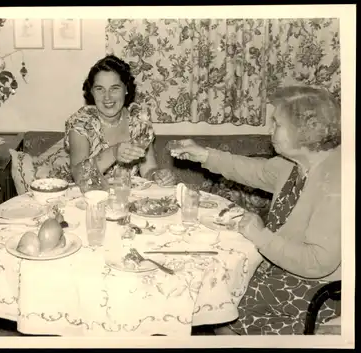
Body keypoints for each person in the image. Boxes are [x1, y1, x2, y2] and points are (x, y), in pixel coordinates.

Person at [170, 85, 341, 335]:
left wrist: (260, 235)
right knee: (215, 295)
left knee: (219, 305)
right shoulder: (296, 165)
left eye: (277, 124)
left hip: (311, 289)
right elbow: (254, 170)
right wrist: (203, 154)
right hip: (279, 269)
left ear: (303, 130)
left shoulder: (336, 182)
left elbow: (317, 263)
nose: (270, 130)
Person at [64, 54, 176, 187]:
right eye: (100, 89)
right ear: (92, 92)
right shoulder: (81, 123)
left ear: (126, 89)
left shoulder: (139, 121)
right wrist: (114, 152)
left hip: (126, 198)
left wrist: (157, 175)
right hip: (89, 198)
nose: (107, 97)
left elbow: (148, 168)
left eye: (114, 88)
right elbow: (79, 175)